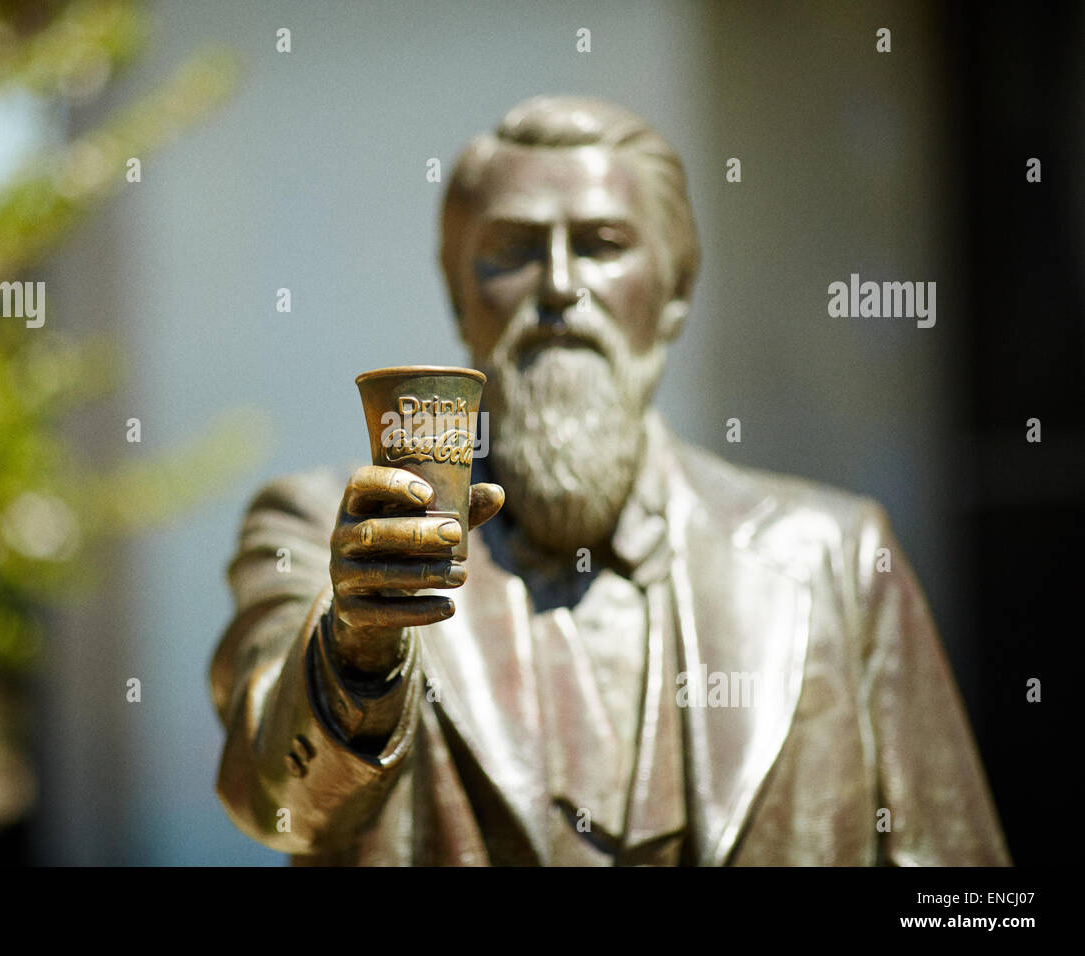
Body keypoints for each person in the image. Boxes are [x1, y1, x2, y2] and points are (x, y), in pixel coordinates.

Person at [209, 95, 1010, 866]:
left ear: (675, 295)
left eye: (600, 244)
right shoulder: (326, 533)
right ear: (460, 301)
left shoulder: (833, 559)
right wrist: (356, 650)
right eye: (512, 251)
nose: (559, 285)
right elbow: (274, 804)